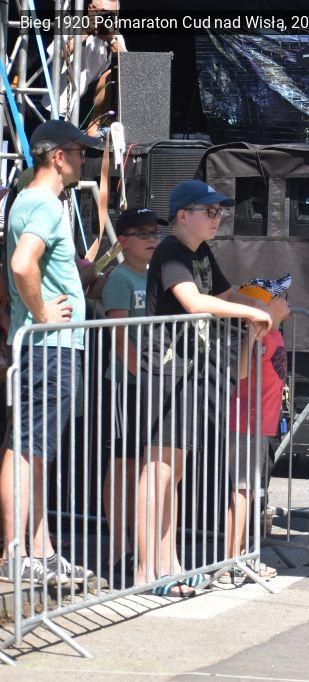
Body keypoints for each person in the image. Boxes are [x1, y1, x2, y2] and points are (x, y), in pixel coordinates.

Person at [138, 180, 272, 596]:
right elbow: (195, 301)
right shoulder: (171, 251)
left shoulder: (201, 253)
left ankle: (169, 563)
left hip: (189, 369)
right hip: (164, 370)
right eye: (209, 212)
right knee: (158, 470)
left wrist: (260, 305)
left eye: (219, 212)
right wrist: (251, 314)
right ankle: (147, 569)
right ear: (183, 215)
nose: (218, 218)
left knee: (174, 473)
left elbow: (225, 293)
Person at [0, 120, 104, 585]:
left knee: (35, 449)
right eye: (80, 153)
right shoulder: (43, 203)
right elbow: (22, 264)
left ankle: (39, 551)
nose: (85, 161)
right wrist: (42, 312)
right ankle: (17, 553)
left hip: (47, 347)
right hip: (48, 347)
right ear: (59, 157)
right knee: (26, 447)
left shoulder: (34, 202)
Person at [98, 207, 164, 587]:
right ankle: (118, 544)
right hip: (127, 384)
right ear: (123, 241)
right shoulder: (120, 278)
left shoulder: (155, 275)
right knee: (122, 463)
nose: (151, 239)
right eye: (143, 233)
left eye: (154, 232)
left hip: (151, 382)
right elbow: (120, 338)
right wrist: (145, 375)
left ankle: (140, 542)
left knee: (143, 465)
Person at [220, 275, 292, 585]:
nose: (285, 301)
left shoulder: (273, 333)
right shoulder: (258, 335)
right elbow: (240, 372)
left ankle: (240, 555)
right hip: (246, 424)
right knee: (242, 491)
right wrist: (252, 332)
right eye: (278, 297)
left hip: (261, 425)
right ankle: (231, 561)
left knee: (248, 492)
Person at [54, 0, 127, 136]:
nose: (107, 17)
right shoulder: (72, 25)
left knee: (111, 74)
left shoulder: (114, 35)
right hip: (59, 105)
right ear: (90, 8)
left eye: (112, 14)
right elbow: (58, 55)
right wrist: (85, 32)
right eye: (103, 12)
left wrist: (110, 40)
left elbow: (129, 68)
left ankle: (94, 126)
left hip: (88, 104)